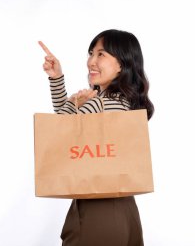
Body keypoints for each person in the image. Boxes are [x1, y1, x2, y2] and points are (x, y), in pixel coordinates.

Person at [39, 29, 154, 246]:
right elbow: (68, 124)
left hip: (96, 212)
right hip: (125, 208)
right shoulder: (125, 102)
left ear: (122, 63)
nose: (91, 61)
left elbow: (58, 135)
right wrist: (59, 83)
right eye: (91, 53)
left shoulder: (101, 102)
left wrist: (75, 103)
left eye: (101, 54)